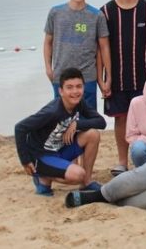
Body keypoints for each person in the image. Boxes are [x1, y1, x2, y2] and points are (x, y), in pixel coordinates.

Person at [101, 0, 146, 176]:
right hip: (117, 79)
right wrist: (103, 79)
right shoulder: (106, 11)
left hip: (144, 77)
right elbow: (101, 48)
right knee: (121, 119)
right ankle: (122, 162)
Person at [15, 67, 105, 196]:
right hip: (43, 155)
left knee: (93, 134)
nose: (75, 91)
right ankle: (42, 176)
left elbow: (101, 122)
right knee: (78, 174)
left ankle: (86, 182)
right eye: (69, 87)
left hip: (60, 149)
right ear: (61, 91)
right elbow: (20, 128)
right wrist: (25, 161)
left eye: (78, 86)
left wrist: (77, 123)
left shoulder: (80, 103)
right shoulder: (52, 112)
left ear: (83, 88)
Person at [43, 0, 111, 111]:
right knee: (62, 119)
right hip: (61, 75)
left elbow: (104, 47)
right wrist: (49, 69)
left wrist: (106, 77)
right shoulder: (56, 13)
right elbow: (48, 42)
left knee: (88, 119)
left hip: (87, 77)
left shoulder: (97, 15)